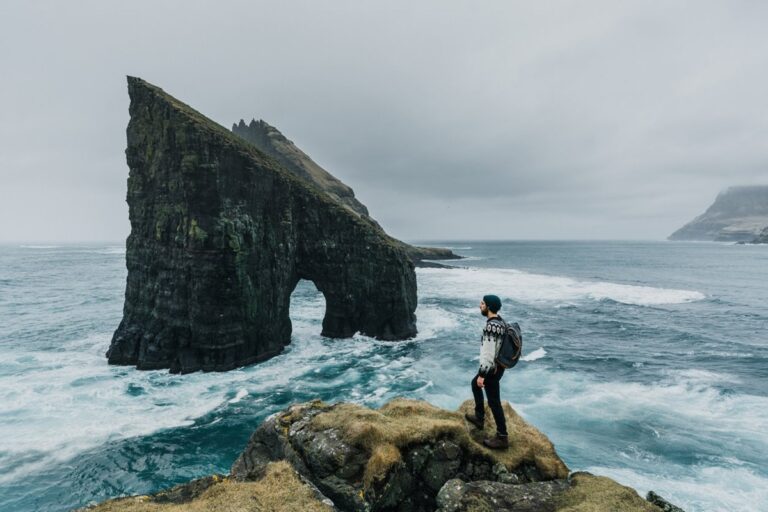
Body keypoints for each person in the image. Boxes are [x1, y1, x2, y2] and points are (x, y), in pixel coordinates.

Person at [465, 294, 509, 449]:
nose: (480, 305)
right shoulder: (501, 322)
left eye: (482, 303)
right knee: (474, 384)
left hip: (491, 368)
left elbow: (488, 353)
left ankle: (502, 437)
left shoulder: (491, 326)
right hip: (499, 367)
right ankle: (479, 417)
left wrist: (482, 374)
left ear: (489, 307)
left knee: (494, 402)